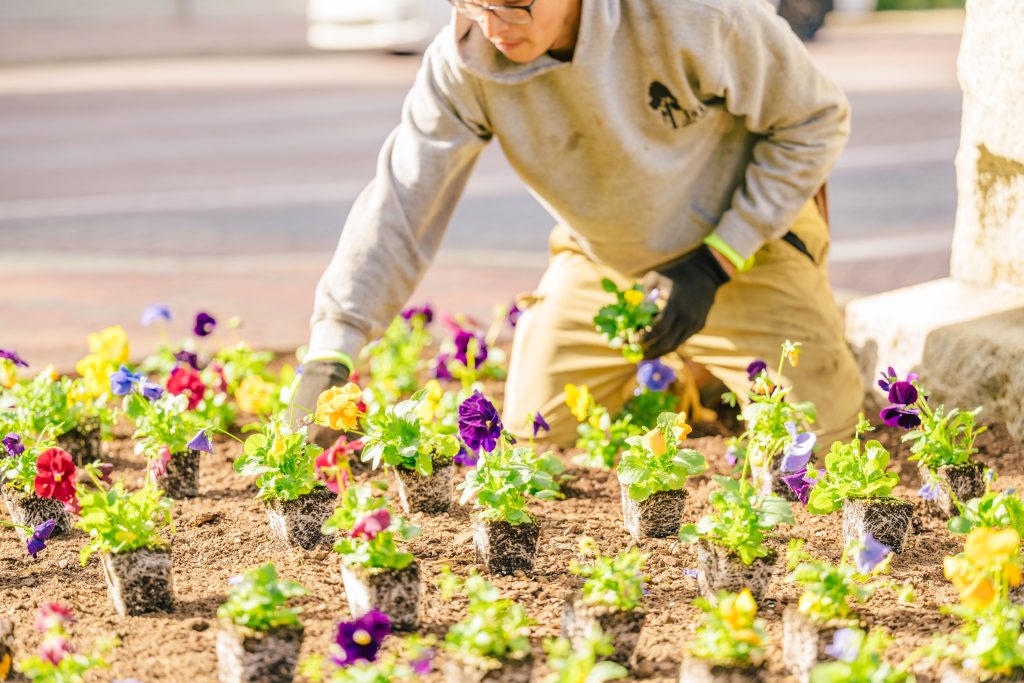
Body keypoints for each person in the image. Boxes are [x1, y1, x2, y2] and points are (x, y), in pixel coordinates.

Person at [295, 0, 864, 448]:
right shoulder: (462, 62)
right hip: (605, 260)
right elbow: (403, 198)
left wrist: (717, 257)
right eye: (471, 4)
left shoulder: (699, 15)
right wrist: (333, 346)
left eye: (515, 4)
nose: (492, 27)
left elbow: (816, 120)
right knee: (537, 432)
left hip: (744, 251)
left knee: (815, 447)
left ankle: (710, 367)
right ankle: (690, 376)